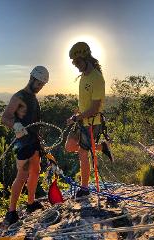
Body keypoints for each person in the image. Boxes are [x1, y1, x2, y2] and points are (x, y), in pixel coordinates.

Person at [1, 66, 49, 227]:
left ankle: (30, 203)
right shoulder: (19, 96)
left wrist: (39, 140)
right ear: (32, 78)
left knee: (35, 171)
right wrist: (16, 126)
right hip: (23, 144)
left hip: (34, 142)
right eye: (39, 83)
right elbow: (5, 117)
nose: (40, 86)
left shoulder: (34, 98)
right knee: (22, 176)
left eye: (43, 84)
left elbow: (34, 123)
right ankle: (11, 212)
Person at [65, 42, 113, 199]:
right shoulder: (83, 77)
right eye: (74, 63)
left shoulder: (97, 78)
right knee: (70, 146)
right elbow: (84, 103)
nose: (76, 66)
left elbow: (95, 108)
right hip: (82, 120)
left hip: (92, 122)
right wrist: (76, 114)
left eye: (77, 62)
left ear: (86, 58)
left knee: (82, 153)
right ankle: (100, 147)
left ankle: (84, 188)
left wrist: (76, 118)